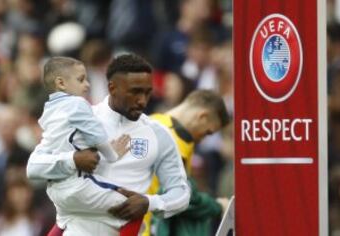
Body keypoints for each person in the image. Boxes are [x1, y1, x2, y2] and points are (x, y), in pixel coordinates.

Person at [27, 53, 190, 235]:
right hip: (74, 225)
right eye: (135, 92)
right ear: (112, 88)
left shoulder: (159, 135)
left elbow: (181, 193)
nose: (142, 100)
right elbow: (35, 166)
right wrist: (73, 159)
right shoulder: (80, 116)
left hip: (121, 228)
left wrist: (149, 202)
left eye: (147, 92)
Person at [143, 89, 230, 236]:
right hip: (149, 228)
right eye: (207, 132)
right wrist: (217, 206)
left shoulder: (151, 121)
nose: (203, 139)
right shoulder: (175, 141)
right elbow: (186, 198)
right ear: (203, 116)